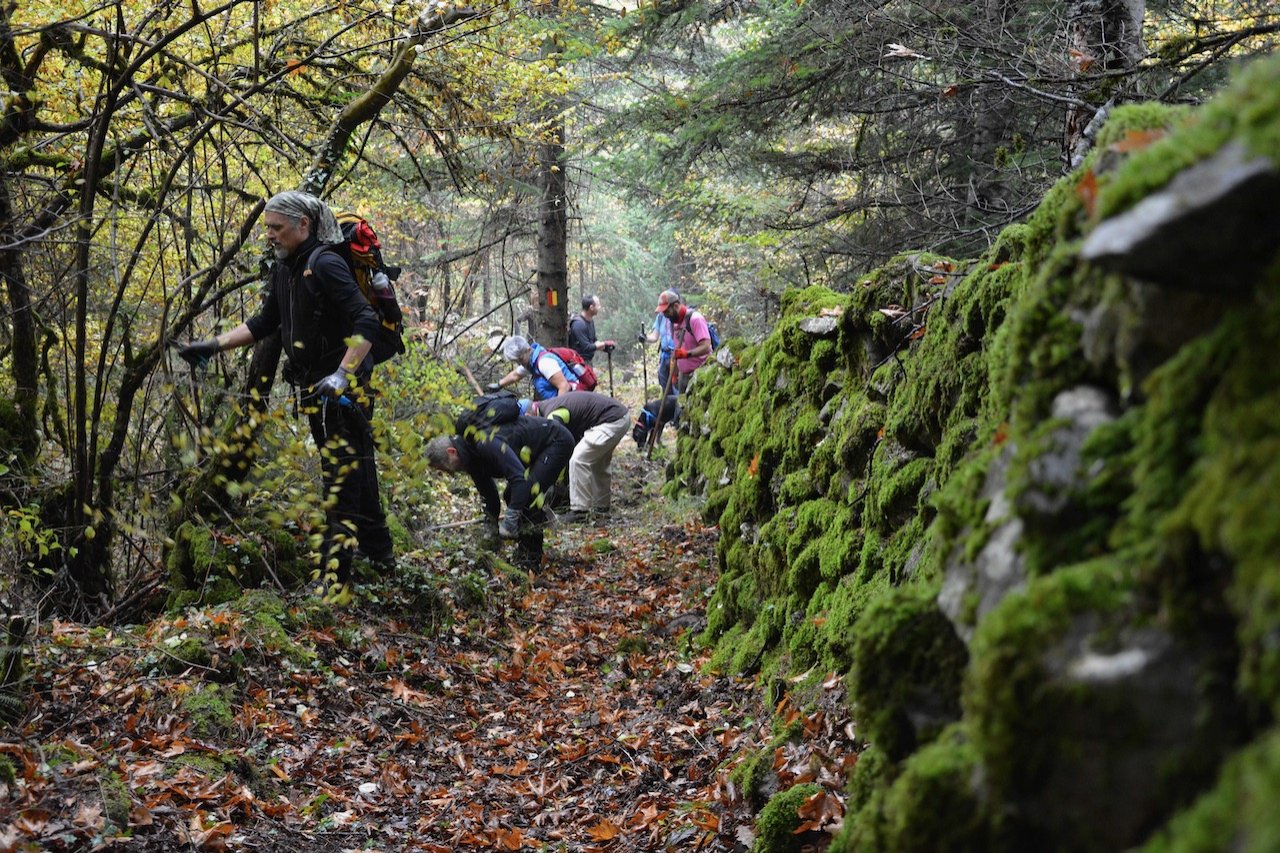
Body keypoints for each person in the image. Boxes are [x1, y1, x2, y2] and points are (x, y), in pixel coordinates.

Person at [177, 191, 394, 605]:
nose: (270, 236)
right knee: (358, 470)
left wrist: (342, 375)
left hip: (341, 391)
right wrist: (210, 345)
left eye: (277, 228)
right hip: (317, 388)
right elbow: (264, 323)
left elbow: (366, 320)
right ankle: (381, 556)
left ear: (303, 226)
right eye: (268, 229)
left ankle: (334, 584)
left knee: (341, 483)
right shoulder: (286, 269)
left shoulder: (325, 264)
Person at [425, 414, 574, 567]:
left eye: (444, 467)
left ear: (451, 452)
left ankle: (531, 559)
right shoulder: (470, 459)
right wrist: (491, 528)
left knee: (527, 496)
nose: (449, 472)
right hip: (534, 452)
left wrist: (509, 521)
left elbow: (519, 480)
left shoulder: (485, 443)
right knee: (511, 495)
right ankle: (527, 548)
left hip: (556, 441)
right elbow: (489, 495)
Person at [527, 391, 629, 522]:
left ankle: (579, 511)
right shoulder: (549, 406)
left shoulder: (553, 416)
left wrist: (558, 483)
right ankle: (602, 508)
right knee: (599, 464)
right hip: (620, 416)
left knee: (578, 460)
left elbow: (560, 450)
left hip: (611, 420)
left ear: (529, 414)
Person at [654, 289, 712, 393]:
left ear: (676, 306)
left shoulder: (695, 319)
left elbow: (706, 346)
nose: (665, 315)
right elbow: (676, 352)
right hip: (683, 376)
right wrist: (674, 374)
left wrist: (687, 354)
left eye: (667, 311)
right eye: (664, 313)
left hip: (701, 373)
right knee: (681, 408)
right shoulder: (673, 323)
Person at [490, 335, 578, 401]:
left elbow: (564, 387)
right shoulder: (531, 362)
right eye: (516, 361)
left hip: (573, 400)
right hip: (561, 401)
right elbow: (515, 375)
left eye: (520, 359)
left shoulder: (544, 363)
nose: (520, 363)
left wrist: (557, 410)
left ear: (528, 350)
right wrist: (499, 385)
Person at [643, 296, 677, 395]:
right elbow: (655, 336)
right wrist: (645, 338)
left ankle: (677, 409)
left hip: (675, 357)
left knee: (675, 388)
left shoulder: (676, 316)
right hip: (663, 357)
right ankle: (667, 408)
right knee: (665, 387)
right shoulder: (661, 317)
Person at [567, 295, 614, 364]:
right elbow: (586, 347)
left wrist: (605, 347)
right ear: (591, 307)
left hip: (587, 361)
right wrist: (604, 343)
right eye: (598, 305)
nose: (600, 307)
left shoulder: (590, 321)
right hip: (578, 363)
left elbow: (594, 341)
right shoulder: (579, 324)